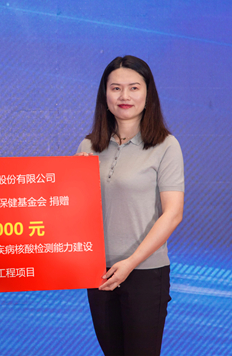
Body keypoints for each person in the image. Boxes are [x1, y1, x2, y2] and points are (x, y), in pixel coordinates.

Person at [76, 55, 184, 356]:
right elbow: (74, 212)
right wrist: (71, 181)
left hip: (145, 271)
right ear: (105, 96)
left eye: (134, 88)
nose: (124, 96)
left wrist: (131, 262)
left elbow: (173, 214)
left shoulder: (166, 145)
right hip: (98, 273)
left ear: (148, 95)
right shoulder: (87, 147)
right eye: (116, 88)